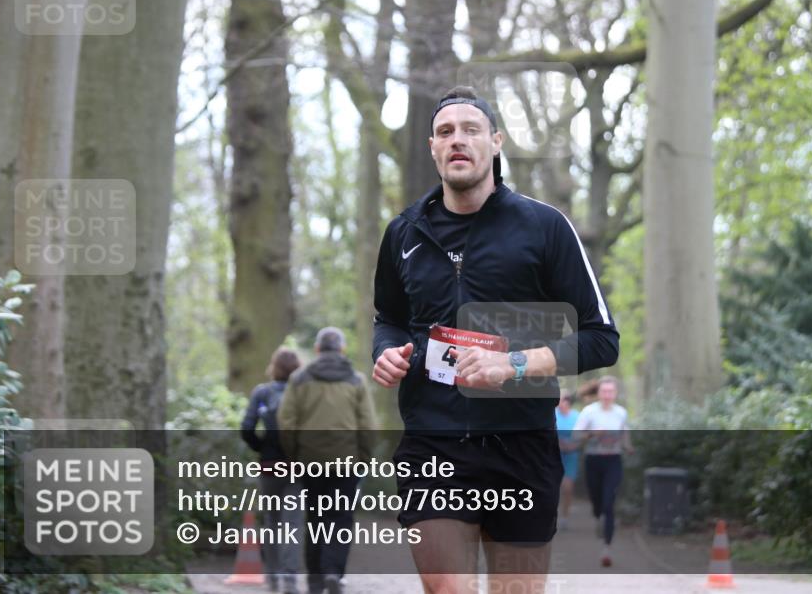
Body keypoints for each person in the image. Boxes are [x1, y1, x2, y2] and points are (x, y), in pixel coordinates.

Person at [371, 85, 619, 593]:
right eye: (445, 132)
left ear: (496, 142)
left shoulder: (545, 227)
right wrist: (386, 352)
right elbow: (388, 318)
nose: (457, 140)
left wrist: (515, 366)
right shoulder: (405, 233)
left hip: (521, 447)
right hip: (433, 443)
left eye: (470, 130)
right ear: (432, 148)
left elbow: (601, 339)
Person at [278, 328, 377, 594]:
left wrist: (294, 455)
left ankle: (315, 579)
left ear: (318, 349)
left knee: (315, 518)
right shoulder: (356, 381)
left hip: (309, 462)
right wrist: (364, 458)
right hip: (347, 463)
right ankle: (334, 572)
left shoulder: (299, 379)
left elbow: (286, 423)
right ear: (342, 349)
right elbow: (368, 426)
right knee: (341, 518)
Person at [241, 347, 303, 594]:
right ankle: (290, 578)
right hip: (299, 466)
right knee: (293, 522)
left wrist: (262, 448)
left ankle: (273, 576)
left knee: (272, 521)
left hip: (269, 466)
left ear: (273, 366)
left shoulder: (262, 393)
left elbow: (246, 428)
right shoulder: (303, 393)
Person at [573, 375, 633, 568]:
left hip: (613, 461)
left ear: (615, 393)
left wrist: (628, 447)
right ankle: (598, 516)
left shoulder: (621, 413)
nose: (607, 395)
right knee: (597, 501)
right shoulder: (589, 412)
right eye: (604, 391)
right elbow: (576, 436)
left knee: (609, 502)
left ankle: (606, 548)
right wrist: (592, 434)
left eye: (610, 391)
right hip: (593, 461)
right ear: (598, 393)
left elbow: (625, 434)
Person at [554, 391, 581, 530]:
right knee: (553, 488)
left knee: (567, 488)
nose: (561, 402)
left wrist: (573, 445)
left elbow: (582, 436)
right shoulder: (551, 414)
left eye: (564, 400)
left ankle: (565, 516)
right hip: (553, 455)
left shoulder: (577, 416)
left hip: (570, 456)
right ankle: (551, 515)